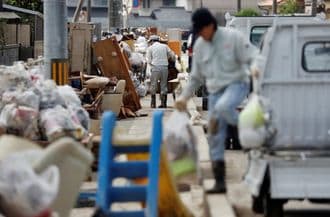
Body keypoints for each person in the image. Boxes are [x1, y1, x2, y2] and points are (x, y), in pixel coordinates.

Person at [175, 8, 260, 193]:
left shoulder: (233, 37)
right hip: (214, 91)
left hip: (236, 85)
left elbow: (253, 55)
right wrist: (183, 97)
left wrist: (255, 67)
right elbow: (196, 77)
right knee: (214, 135)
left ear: (211, 25)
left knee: (223, 107)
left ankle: (244, 127)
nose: (200, 35)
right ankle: (220, 182)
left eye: (201, 30)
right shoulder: (200, 46)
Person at [146, 35, 175, 108]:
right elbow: (172, 55)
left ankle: (153, 104)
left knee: (153, 85)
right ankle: (163, 103)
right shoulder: (165, 46)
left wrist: (152, 65)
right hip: (165, 67)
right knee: (163, 85)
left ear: (152, 41)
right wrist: (166, 59)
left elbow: (148, 60)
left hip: (155, 67)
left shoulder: (150, 48)